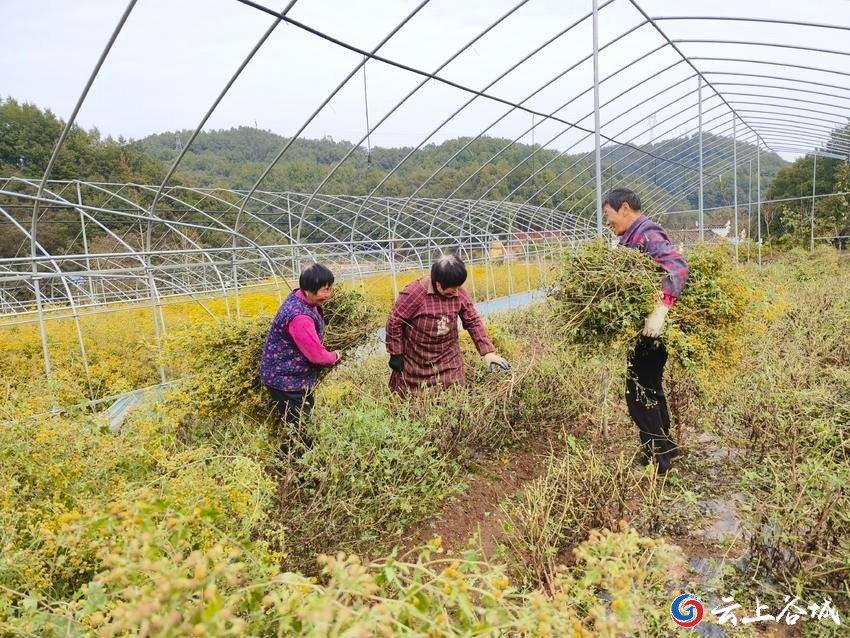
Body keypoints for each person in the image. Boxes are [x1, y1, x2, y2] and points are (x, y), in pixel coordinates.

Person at [603, 188, 689, 473]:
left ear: (624, 208)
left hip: (652, 331)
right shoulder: (630, 236)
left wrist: (662, 308)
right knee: (650, 387)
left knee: (639, 394)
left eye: (609, 215)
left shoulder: (647, 232)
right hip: (643, 331)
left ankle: (658, 460)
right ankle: (667, 449)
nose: (608, 222)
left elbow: (676, 267)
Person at [385, 254, 510, 394]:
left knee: (454, 392)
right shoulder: (414, 292)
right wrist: (395, 353)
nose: (456, 291)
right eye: (451, 288)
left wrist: (488, 352)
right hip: (416, 359)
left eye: (458, 287)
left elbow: (473, 320)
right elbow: (394, 321)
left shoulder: (459, 292)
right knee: (409, 396)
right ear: (437, 282)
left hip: (448, 359)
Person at [260, 263, 340, 440]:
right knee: (300, 429)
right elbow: (317, 356)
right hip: (286, 379)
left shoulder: (300, 298)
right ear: (308, 290)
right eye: (324, 290)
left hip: (293, 376)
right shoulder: (299, 317)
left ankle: (296, 456)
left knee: (300, 420)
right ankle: (296, 462)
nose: (329, 294)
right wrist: (334, 356)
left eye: (330, 289)